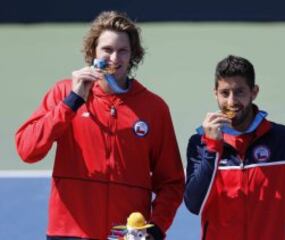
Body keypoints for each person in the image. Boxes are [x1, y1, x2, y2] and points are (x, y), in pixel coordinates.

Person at [15, 11, 185, 240]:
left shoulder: (154, 108)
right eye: (107, 49)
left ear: (133, 55)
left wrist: (156, 227)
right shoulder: (64, 93)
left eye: (122, 51)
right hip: (69, 232)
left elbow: (171, 182)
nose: (114, 58)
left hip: (125, 235)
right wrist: (71, 103)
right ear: (93, 51)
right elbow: (28, 150)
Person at [184, 55, 285, 240]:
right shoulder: (200, 143)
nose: (231, 102)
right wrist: (213, 148)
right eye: (225, 93)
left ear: (254, 92)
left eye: (239, 92)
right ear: (215, 93)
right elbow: (194, 204)